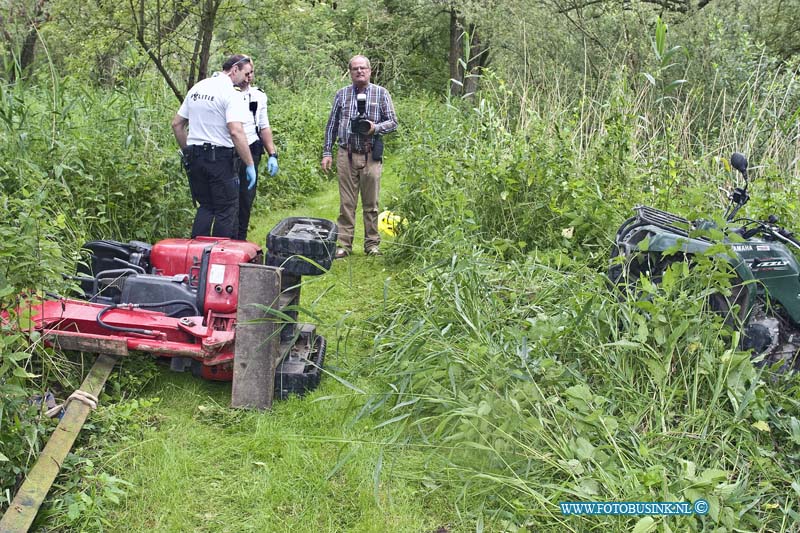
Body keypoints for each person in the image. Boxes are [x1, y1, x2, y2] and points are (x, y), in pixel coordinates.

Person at [171, 54, 256, 239]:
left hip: (196, 158)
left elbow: (177, 124)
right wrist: (249, 164)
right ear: (235, 70)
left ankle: (195, 259)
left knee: (206, 206)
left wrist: (188, 152)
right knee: (226, 209)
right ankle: (219, 260)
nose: (247, 78)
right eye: (246, 73)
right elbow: (236, 131)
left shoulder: (198, 87)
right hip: (220, 160)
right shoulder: (230, 93)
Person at [321, 55, 398, 258]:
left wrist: (375, 128)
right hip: (346, 153)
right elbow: (332, 125)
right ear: (350, 72)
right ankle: (344, 245)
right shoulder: (342, 95)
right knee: (347, 203)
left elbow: (393, 122)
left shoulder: (381, 93)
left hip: (371, 153)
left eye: (363, 68)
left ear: (370, 71)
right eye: (355, 68)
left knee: (371, 203)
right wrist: (327, 152)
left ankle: (371, 244)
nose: (359, 71)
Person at [235, 60, 279, 241]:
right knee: (229, 200)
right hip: (229, 150)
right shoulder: (226, 93)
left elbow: (264, 127)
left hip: (252, 148)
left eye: (251, 73)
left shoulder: (259, 96)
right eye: (246, 73)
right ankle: (224, 242)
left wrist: (272, 154)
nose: (249, 77)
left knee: (246, 199)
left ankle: (240, 240)